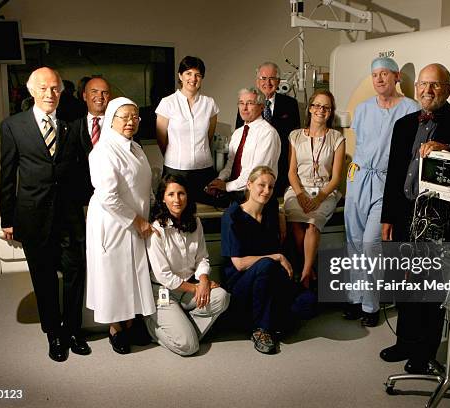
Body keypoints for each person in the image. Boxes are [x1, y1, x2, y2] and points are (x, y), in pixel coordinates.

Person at [379, 63, 450, 374]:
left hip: (439, 222)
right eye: (423, 84)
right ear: (416, 88)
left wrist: (448, 148)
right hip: (405, 215)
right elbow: (393, 177)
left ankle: (424, 352)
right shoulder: (403, 125)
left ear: (449, 90)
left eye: (436, 85)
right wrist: (387, 217)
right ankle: (404, 342)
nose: (428, 90)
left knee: (430, 289)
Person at [0, 67, 90, 362]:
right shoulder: (13, 126)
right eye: (44, 88)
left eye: (55, 89)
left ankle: (74, 330)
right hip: (33, 214)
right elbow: (7, 174)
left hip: (70, 214)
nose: (50, 94)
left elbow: (82, 169)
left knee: (76, 271)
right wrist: (8, 218)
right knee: (44, 276)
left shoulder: (73, 124)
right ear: (32, 91)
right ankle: (53, 334)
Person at [343, 57, 420, 327]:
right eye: (375, 74)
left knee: (371, 244)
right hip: (358, 178)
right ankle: (355, 298)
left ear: (397, 77)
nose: (379, 79)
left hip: (387, 182)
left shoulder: (410, 108)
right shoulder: (363, 109)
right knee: (354, 242)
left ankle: (371, 305)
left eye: (384, 74)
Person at [86, 97, 157, 355]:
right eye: (124, 117)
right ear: (111, 120)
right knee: (115, 276)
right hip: (113, 222)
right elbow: (108, 196)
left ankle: (130, 320)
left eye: (134, 117)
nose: (130, 122)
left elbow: (144, 183)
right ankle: (116, 328)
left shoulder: (135, 147)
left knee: (133, 272)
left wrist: (151, 207)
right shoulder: (103, 151)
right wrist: (137, 220)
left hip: (134, 221)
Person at [221, 166, 316, 355]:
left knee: (309, 301)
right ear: (249, 185)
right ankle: (261, 329)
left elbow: (278, 215)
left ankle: (268, 319)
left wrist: (281, 214)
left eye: (271, 187)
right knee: (266, 264)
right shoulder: (232, 216)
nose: (266, 191)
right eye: (261, 185)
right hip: (241, 285)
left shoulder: (271, 211)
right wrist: (276, 256)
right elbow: (239, 264)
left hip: (268, 281)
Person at [145, 174, 230, 356]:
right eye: (171, 194)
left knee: (222, 297)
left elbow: (202, 258)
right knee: (188, 346)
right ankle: (153, 329)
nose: (177, 199)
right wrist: (197, 288)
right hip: (162, 292)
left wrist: (205, 281)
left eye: (181, 194)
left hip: (188, 289)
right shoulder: (157, 229)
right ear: (163, 198)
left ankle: (183, 325)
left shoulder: (195, 222)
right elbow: (163, 275)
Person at [284, 89, 345, 289]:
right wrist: (300, 195)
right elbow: (292, 172)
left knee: (312, 223)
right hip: (298, 188)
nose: (321, 110)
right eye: (317, 105)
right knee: (295, 222)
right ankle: (309, 270)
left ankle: (305, 273)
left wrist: (319, 198)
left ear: (331, 112)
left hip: (325, 190)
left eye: (326, 107)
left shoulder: (336, 138)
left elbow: (336, 178)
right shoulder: (295, 136)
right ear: (310, 109)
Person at [155, 56, 219, 204]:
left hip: (204, 169)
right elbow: (161, 139)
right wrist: (176, 155)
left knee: (205, 214)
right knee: (175, 211)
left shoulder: (209, 104)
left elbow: (208, 137)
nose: (193, 78)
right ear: (180, 76)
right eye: (188, 73)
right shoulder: (167, 103)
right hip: (175, 170)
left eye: (198, 75)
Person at [206, 88, 280, 206]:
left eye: (250, 103)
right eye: (241, 103)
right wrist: (220, 179)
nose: (244, 108)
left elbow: (256, 174)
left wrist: (227, 186)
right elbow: (230, 164)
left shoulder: (268, 134)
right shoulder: (238, 133)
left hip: (256, 196)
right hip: (235, 193)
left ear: (261, 107)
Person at [236, 62, 300, 196]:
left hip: (280, 169)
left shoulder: (290, 104)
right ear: (257, 81)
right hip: (252, 171)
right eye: (263, 78)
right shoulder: (246, 104)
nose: (268, 82)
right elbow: (240, 139)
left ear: (278, 81)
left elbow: (295, 140)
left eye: (272, 78)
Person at [70, 77, 111, 206]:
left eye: (104, 92)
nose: (100, 96)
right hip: (82, 197)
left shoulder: (120, 126)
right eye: (94, 91)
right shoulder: (72, 127)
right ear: (84, 96)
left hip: (113, 195)